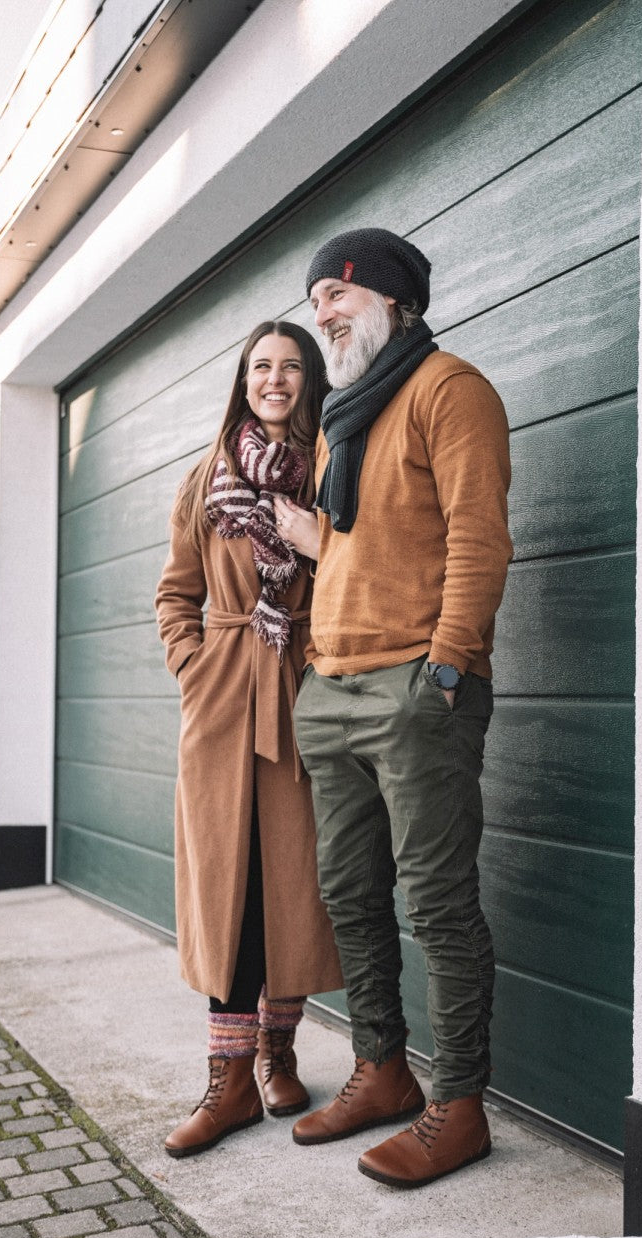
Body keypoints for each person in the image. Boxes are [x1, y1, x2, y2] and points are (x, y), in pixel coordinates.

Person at [274, 227, 512, 1187]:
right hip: (331, 690)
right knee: (353, 894)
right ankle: (383, 1069)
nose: (321, 311)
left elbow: (478, 536)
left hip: (418, 689)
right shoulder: (348, 417)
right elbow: (369, 548)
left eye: (338, 292)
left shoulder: (449, 390)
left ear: (393, 299)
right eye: (315, 297)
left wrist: (447, 668)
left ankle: (459, 1105)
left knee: (440, 904)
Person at [155, 319, 343, 1159]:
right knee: (228, 883)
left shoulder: (335, 469)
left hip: (302, 691)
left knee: (291, 883)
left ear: (310, 380)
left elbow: (355, 569)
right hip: (225, 696)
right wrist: (196, 668)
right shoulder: (207, 478)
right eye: (262, 366)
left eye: (291, 366)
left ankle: (279, 1052)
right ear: (243, 379)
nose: (276, 379)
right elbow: (173, 594)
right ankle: (228, 1079)